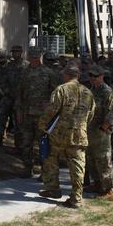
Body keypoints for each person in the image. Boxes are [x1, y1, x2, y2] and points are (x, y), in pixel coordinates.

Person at [38, 64, 95, 208]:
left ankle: (53, 189)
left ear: (66, 75)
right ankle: (76, 197)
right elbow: (91, 114)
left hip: (59, 134)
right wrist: (81, 126)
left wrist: (43, 125)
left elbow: (51, 110)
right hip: (79, 135)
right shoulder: (88, 92)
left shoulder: (61, 89)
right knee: (77, 165)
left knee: (50, 159)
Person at [15, 47, 60, 177]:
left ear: (40, 57)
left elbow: (56, 93)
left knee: (43, 144)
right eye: (32, 57)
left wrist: (51, 107)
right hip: (26, 113)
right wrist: (18, 110)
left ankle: (44, 171)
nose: (34, 60)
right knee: (26, 143)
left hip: (43, 116)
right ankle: (27, 168)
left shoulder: (48, 73)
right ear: (29, 58)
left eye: (36, 57)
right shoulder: (25, 72)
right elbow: (19, 92)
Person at [86, 64, 113, 199]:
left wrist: (103, 128)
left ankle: (109, 189)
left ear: (102, 76)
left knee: (103, 160)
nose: (92, 78)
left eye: (95, 76)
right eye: (91, 76)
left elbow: (111, 113)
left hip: (101, 131)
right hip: (90, 130)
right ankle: (97, 183)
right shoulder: (91, 90)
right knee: (91, 159)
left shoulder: (107, 92)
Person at [0, 45, 27, 146]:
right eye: (13, 52)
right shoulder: (8, 66)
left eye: (17, 52)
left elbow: (30, 82)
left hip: (20, 99)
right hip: (8, 96)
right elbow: (2, 80)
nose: (15, 53)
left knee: (18, 121)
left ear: (21, 52)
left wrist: (21, 95)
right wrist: (6, 91)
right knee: (1, 116)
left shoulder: (27, 66)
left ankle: (18, 145)